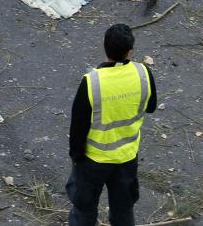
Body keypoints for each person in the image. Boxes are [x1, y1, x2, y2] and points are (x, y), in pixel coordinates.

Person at [66, 24, 157, 226]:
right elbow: (150, 107)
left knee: (84, 210)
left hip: (93, 161)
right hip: (126, 158)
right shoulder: (143, 74)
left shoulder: (91, 82)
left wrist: (76, 156)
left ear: (104, 46)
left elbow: (78, 128)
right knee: (123, 210)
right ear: (129, 51)